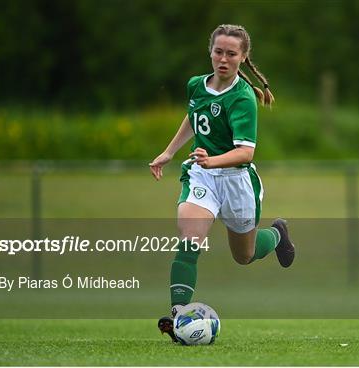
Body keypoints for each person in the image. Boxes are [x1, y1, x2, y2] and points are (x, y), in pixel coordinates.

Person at [149, 24, 295, 343]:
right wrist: (169, 152)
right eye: (218, 52)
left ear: (243, 58)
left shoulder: (243, 98)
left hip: (236, 181)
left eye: (231, 53)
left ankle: (276, 233)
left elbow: (246, 152)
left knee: (244, 255)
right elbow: (194, 115)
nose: (223, 59)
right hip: (201, 176)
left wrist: (211, 159)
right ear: (210, 52)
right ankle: (179, 316)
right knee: (191, 236)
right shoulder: (195, 85)